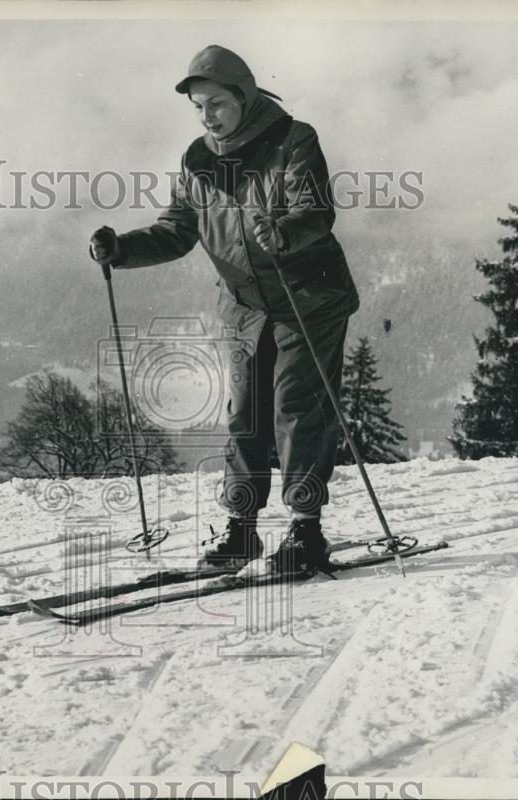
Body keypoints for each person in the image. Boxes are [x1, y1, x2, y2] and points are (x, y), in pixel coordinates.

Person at [89, 44, 359, 574]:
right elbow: (176, 230)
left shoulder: (292, 140)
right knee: (244, 417)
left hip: (306, 296)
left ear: (244, 96)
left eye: (216, 103)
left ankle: (306, 533)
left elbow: (316, 210)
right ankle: (242, 531)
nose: (207, 115)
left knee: (297, 411)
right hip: (244, 307)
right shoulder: (198, 161)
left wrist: (284, 232)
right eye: (198, 106)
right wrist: (121, 248)